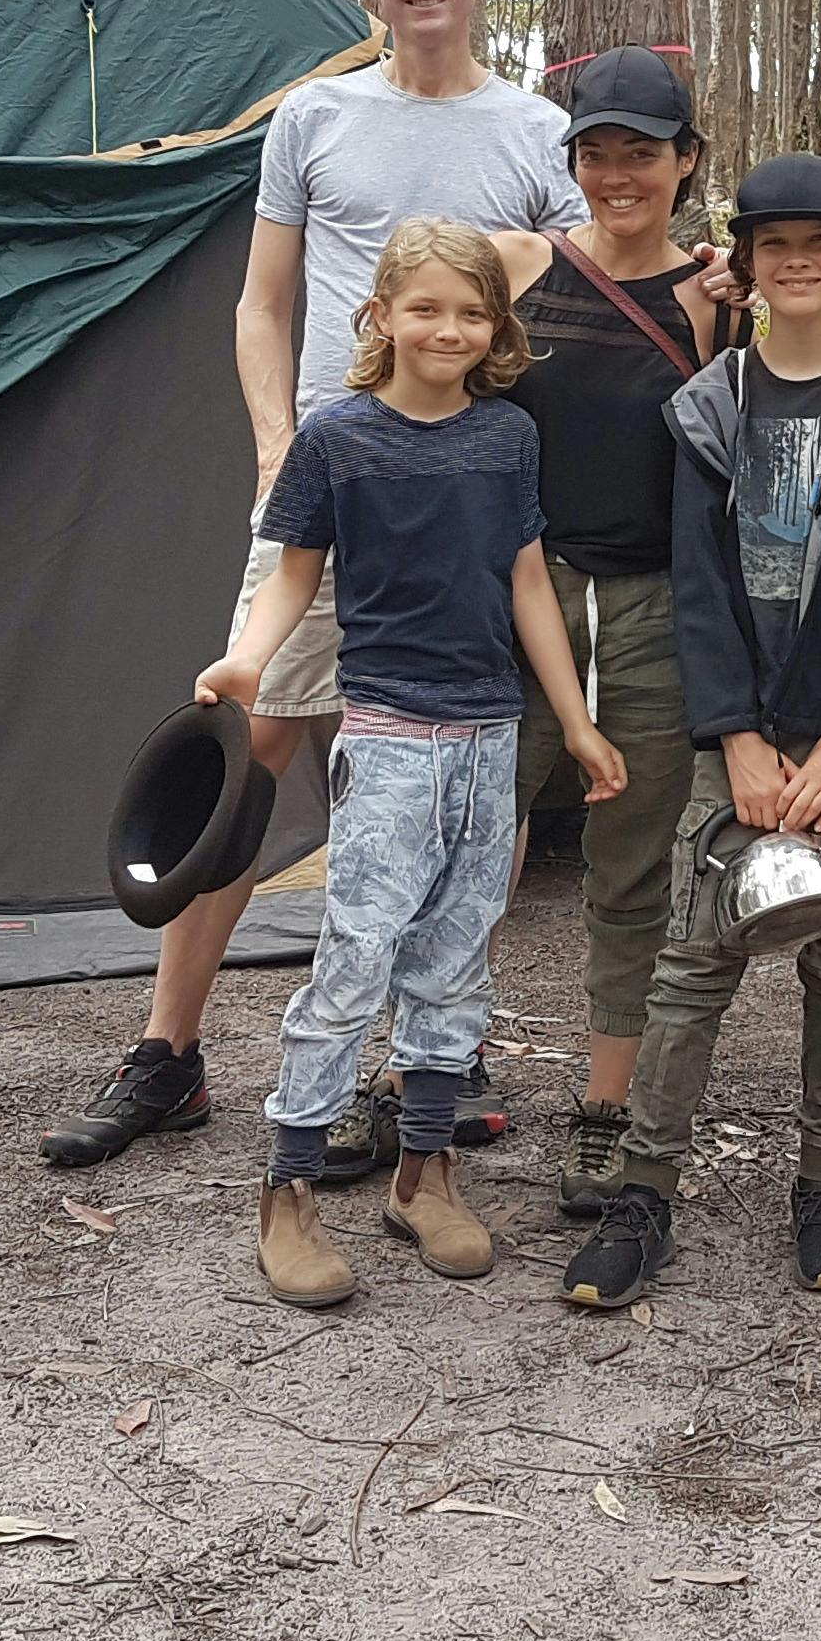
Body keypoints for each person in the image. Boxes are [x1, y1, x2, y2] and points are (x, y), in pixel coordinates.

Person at [44, 0, 585, 1174]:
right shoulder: (315, 120)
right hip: (329, 499)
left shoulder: (531, 133)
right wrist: (279, 438)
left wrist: (522, 259)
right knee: (250, 754)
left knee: (464, 786)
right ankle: (168, 1054)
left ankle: (424, 1068)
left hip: (467, 508)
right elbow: (260, 301)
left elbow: (579, 275)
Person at [559, 157, 821, 1310]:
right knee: (693, 963)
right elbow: (696, 583)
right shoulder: (712, 405)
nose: (798, 263)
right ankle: (646, 1190)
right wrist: (734, 735)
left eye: (819, 243)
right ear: (742, 258)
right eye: (773, 244)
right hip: (734, 737)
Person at [203, 220, 627, 1307]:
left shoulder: (503, 439)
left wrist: (573, 722)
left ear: (496, 329)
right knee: (353, 961)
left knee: (455, 963)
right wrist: (246, 660)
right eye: (426, 307)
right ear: (380, 315)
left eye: (471, 312)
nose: (448, 329)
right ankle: (287, 1190)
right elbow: (294, 577)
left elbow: (529, 580)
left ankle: (423, 1171)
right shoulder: (336, 437)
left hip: (490, 735)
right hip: (388, 736)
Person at [479, 47, 728, 1219]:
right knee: (474, 840)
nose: (618, 175)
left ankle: (604, 1108)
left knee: (629, 863)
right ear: (568, 160)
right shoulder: (519, 267)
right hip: (518, 595)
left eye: (644, 152)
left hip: (651, 610)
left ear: (686, 161)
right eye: (596, 153)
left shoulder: (712, 298)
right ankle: (428, 1070)